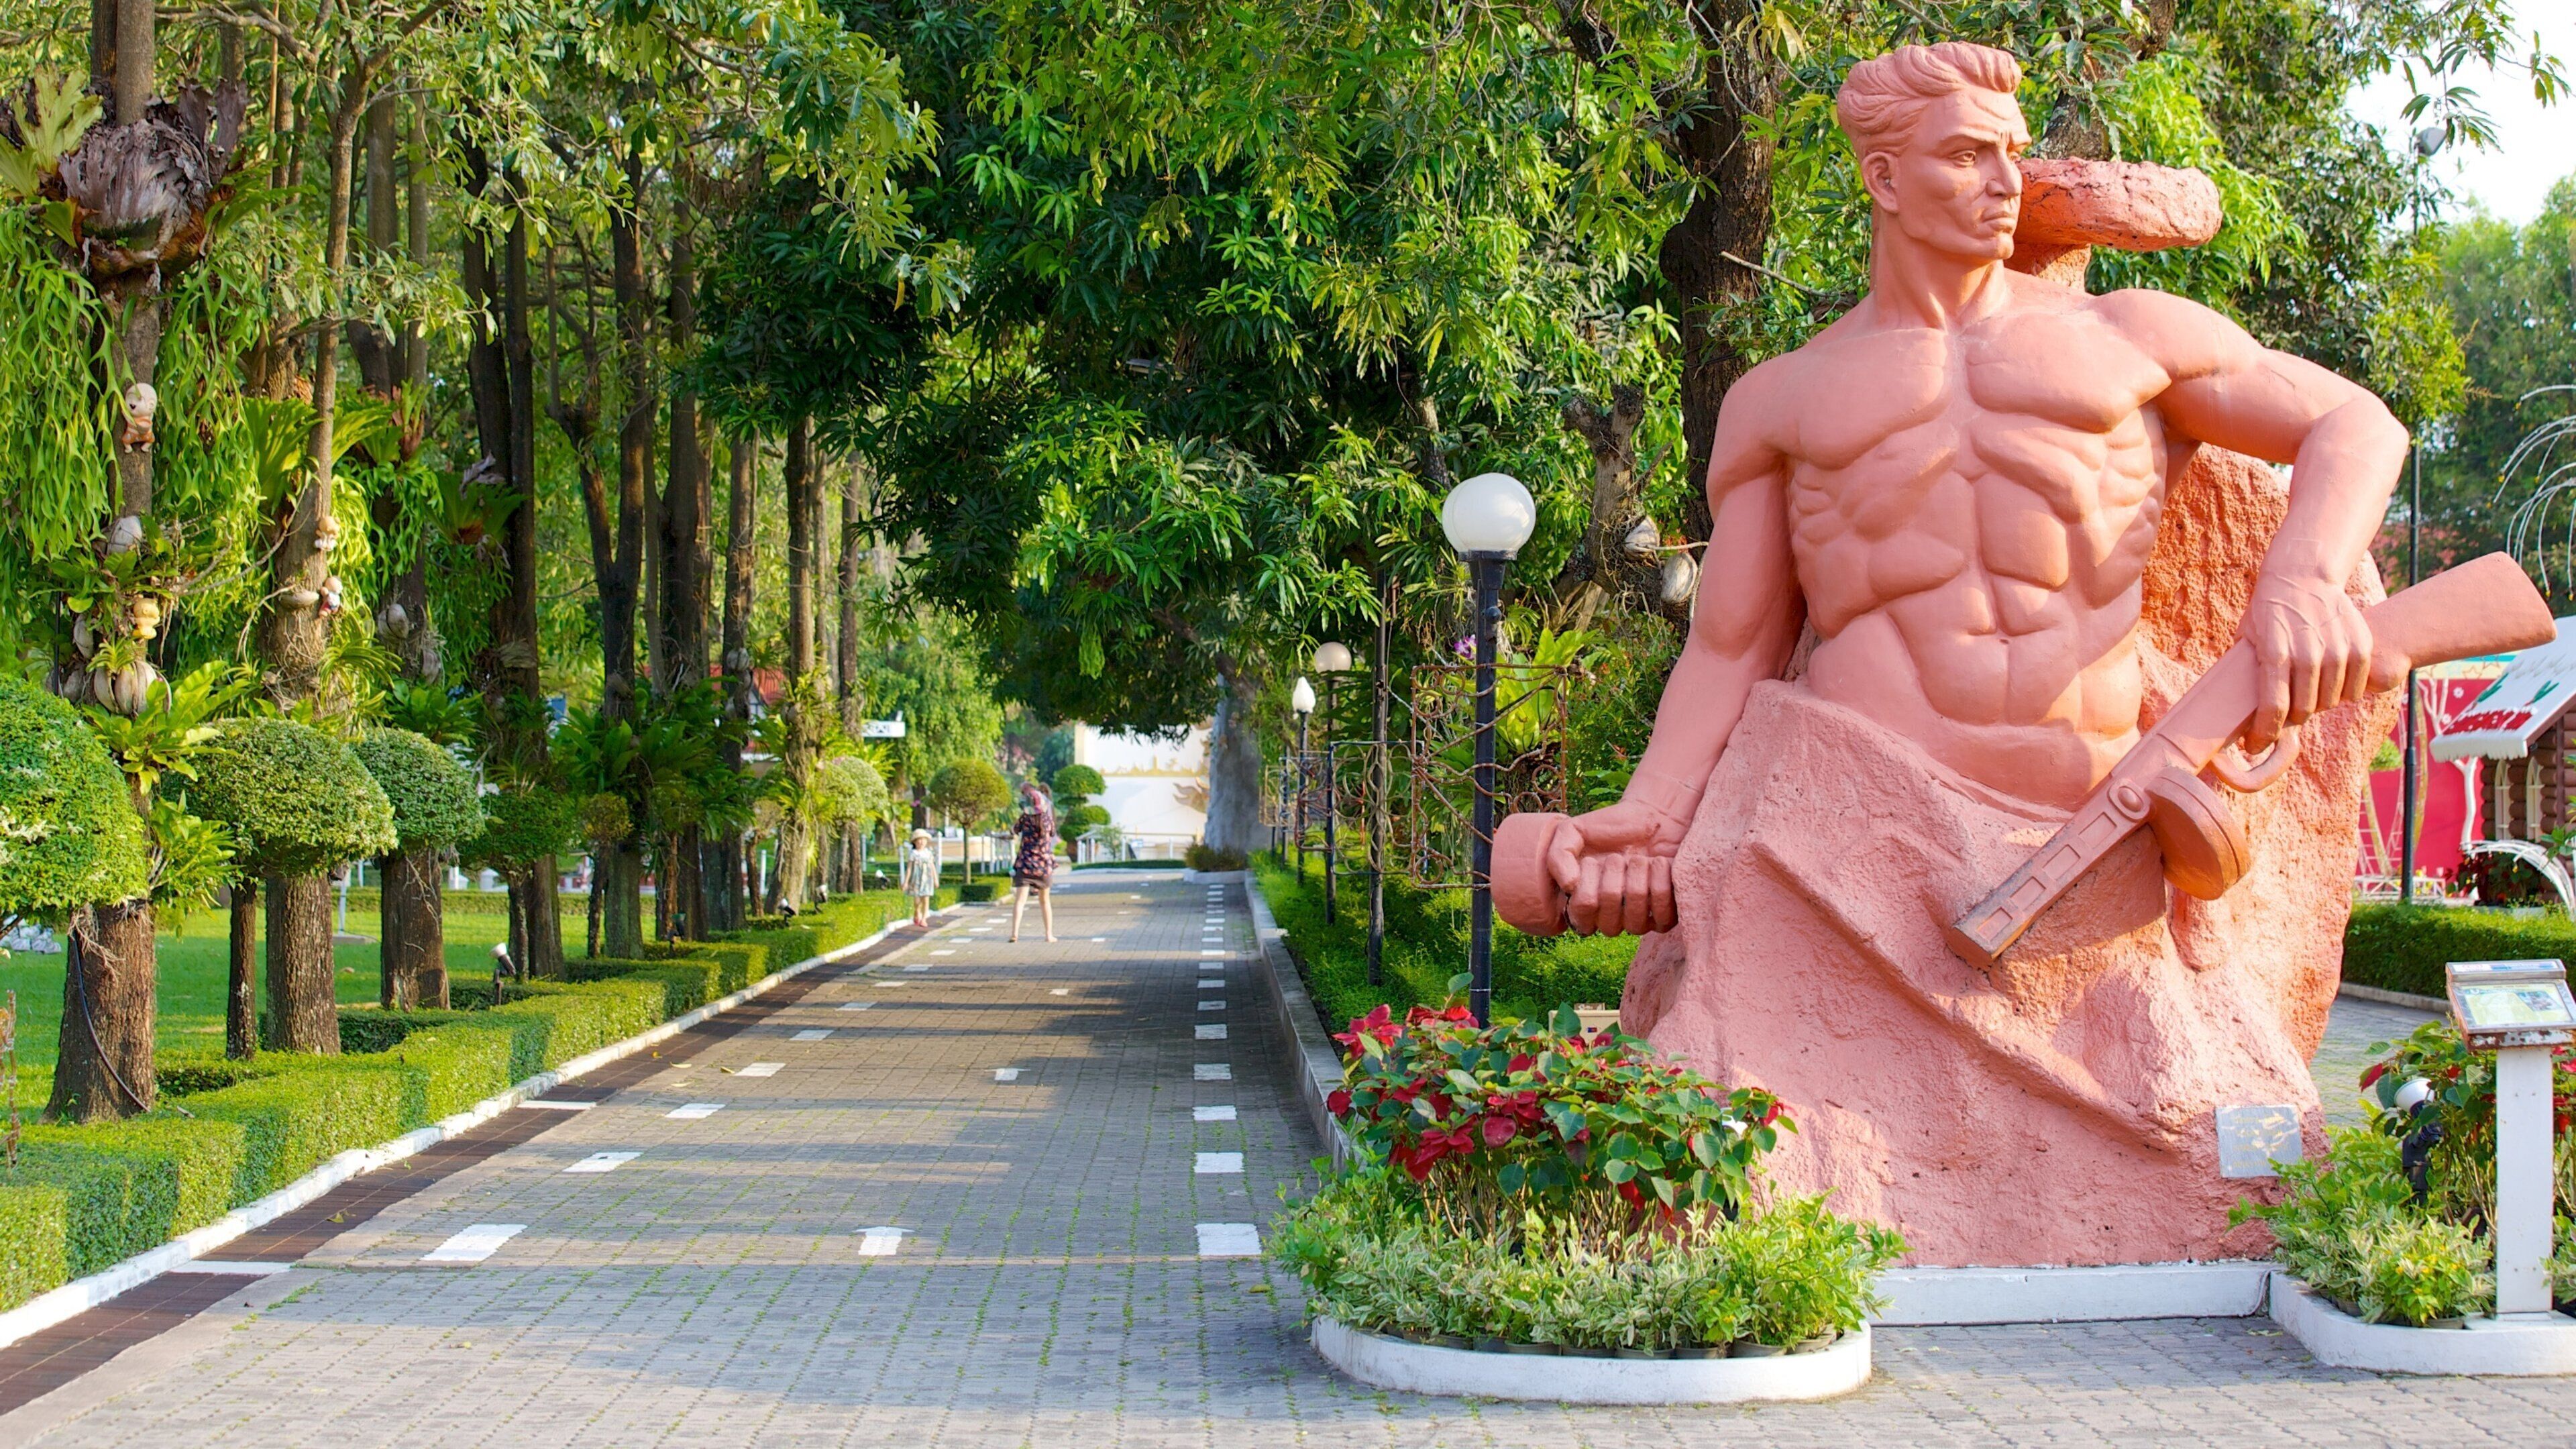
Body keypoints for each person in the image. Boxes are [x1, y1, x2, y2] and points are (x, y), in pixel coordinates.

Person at [1522, 41, 2404, 1265]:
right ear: (1883, 178)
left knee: (2197, 1129)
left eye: (2010, 151)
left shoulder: (2126, 339)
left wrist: (2302, 582)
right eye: (1966, 155)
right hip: (1844, 838)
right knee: (1769, 1148)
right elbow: (1730, 647)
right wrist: (1646, 821)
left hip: (2093, 835)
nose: (2004, 181)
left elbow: (2353, 421)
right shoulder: (1785, 399)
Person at [1008, 782, 1057, 943]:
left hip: (1025, 864)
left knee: (1020, 901)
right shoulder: (1048, 820)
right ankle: (1049, 935)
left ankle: (1014, 933)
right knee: (1045, 901)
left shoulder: (1025, 819)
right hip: (1043, 866)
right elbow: (1052, 835)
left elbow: (1013, 831)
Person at [901, 828, 940, 929]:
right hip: (916, 879)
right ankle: (917, 912)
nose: (922, 842)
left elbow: (932, 867)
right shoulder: (913, 854)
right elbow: (909, 869)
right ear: (915, 842)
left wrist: (936, 879)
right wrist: (906, 882)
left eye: (924, 840)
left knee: (926, 898)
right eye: (919, 840)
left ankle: (924, 919)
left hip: (927, 879)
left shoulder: (929, 853)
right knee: (917, 900)